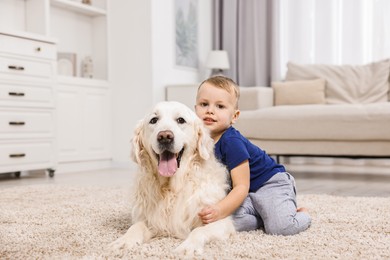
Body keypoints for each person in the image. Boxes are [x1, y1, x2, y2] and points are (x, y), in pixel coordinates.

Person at [195, 75, 311, 235]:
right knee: (224, 223)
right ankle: (264, 215)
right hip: (247, 194)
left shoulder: (231, 141)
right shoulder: (196, 138)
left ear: (234, 116)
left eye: (220, 106)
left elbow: (242, 185)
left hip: (271, 184)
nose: (210, 110)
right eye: (204, 104)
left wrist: (220, 209)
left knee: (280, 228)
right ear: (195, 109)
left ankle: (302, 214)